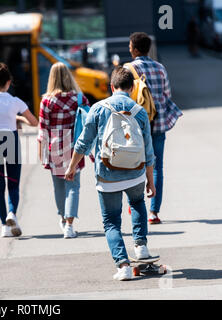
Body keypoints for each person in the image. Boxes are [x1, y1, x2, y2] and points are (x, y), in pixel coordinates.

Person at [65, 66, 156, 281]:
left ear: (111, 87)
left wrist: (71, 167)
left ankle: (123, 265)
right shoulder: (140, 111)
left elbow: (83, 143)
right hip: (135, 172)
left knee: (111, 221)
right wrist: (150, 181)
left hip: (107, 174)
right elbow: (148, 151)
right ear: (132, 87)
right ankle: (141, 246)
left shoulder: (98, 109)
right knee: (137, 204)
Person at [128, 32, 182, 224]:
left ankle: (135, 207)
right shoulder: (160, 67)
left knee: (135, 166)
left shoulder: (129, 69)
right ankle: (153, 213)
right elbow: (167, 94)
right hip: (158, 124)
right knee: (157, 167)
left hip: (136, 126)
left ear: (134, 48)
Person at [0, 62, 38, 238]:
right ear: (9, 82)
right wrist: (17, 117)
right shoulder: (15, 102)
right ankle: (12, 212)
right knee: (13, 184)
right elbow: (34, 122)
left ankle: (4, 226)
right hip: (10, 141)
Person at [37, 62, 90, 238]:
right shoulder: (80, 99)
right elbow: (88, 124)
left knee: (58, 186)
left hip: (55, 145)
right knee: (73, 186)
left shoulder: (46, 101)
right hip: (75, 146)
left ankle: (62, 218)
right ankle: (69, 224)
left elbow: (43, 130)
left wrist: (41, 153)